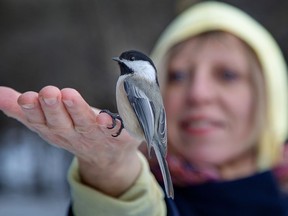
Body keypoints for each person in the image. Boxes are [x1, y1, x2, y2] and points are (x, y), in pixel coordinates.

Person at [0, 1, 288, 215]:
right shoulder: (153, 197)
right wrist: (113, 180)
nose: (199, 94)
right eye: (177, 76)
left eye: (227, 75)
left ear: (270, 99)